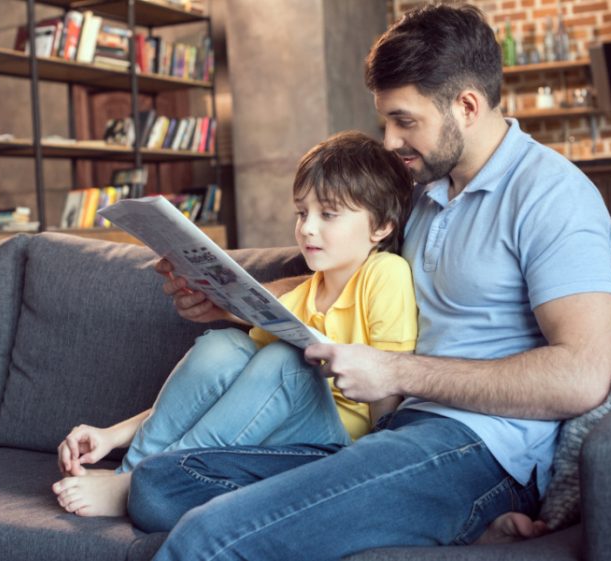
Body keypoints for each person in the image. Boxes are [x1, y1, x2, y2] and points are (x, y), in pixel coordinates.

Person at [124, 4, 611, 560]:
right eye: (385, 120)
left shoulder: (553, 195)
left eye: (405, 121)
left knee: (206, 537)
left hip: (477, 448)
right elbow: (336, 281)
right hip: (390, 434)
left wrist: (394, 370)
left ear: (467, 106)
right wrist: (225, 303)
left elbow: (582, 375)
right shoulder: (423, 193)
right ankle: (440, 527)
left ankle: (438, 515)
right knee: (157, 486)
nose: (389, 141)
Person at [52, 130, 418, 517]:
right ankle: (132, 470)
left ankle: (145, 482)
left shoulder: (385, 274)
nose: (308, 228)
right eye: (302, 212)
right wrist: (112, 435)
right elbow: (224, 392)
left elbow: (389, 399)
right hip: (280, 435)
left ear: (381, 227)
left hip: (337, 447)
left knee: (284, 360)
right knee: (223, 345)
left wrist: (378, 481)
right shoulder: (302, 294)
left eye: (328, 214)